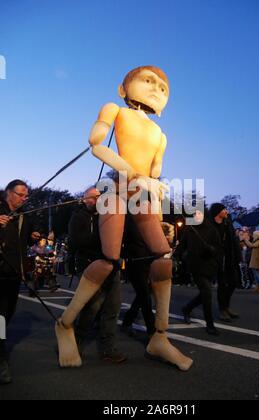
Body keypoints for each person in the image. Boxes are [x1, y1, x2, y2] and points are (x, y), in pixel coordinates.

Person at [55, 66, 193, 371]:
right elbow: (96, 144)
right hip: (116, 190)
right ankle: (65, 324)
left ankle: (159, 336)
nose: (156, 88)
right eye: (148, 81)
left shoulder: (160, 134)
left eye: (163, 87)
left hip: (142, 193)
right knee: (109, 259)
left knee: (163, 256)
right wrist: (133, 175)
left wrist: (158, 211)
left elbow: (154, 175)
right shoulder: (115, 109)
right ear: (123, 88)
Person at [68, 187, 126, 363]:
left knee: (112, 308)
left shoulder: (108, 214)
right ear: (84, 199)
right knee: (91, 307)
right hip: (90, 266)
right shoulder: (78, 217)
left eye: (98, 197)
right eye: (91, 198)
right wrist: (105, 240)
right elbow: (78, 240)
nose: (95, 200)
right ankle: (75, 344)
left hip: (111, 267)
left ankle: (108, 349)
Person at [0, 180, 40, 385]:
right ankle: (1, 357)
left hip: (15, 272)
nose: (24, 198)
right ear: (8, 192)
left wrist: (34, 237)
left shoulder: (25, 215)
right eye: (21, 194)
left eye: (26, 196)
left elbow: (26, 241)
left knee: (7, 314)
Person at [175, 210, 222, 336]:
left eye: (199, 214)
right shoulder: (189, 230)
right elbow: (181, 247)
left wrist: (212, 250)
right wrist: (176, 258)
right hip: (196, 267)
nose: (197, 216)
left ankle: (187, 308)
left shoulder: (212, 230)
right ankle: (209, 324)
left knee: (204, 294)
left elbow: (218, 247)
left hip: (210, 266)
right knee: (207, 292)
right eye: (195, 214)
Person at [209, 203, 241, 322]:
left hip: (229, 257)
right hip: (217, 258)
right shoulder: (210, 224)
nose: (226, 211)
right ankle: (222, 309)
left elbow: (234, 240)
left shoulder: (228, 223)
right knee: (222, 285)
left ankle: (226, 306)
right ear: (218, 211)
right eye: (224, 209)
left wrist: (238, 256)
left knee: (233, 282)